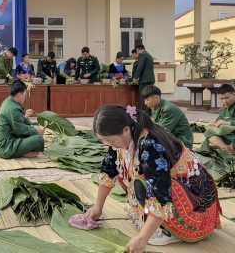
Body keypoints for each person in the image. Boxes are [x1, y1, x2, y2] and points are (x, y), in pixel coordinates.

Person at [85, 104, 221, 251]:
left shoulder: (152, 145)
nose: (107, 144)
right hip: (171, 185)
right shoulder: (128, 131)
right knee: (130, 176)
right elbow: (108, 171)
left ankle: (170, 230)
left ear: (125, 130)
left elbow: (159, 193)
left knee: (141, 184)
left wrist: (142, 239)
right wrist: (98, 207)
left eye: (110, 141)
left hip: (194, 194)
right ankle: (157, 222)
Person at [0, 80, 45, 159]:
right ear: (19, 95)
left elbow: (19, 122)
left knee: (35, 125)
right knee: (39, 140)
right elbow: (21, 130)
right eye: (25, 94)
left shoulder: (8, 101)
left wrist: (33, 126)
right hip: (5, 146)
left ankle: (23, 151)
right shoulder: (13, 108)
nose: (25, 97)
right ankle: (20, 153)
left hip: (9, 138)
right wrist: (35, 131)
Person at [133, 45, 155, 113]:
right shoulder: (149, 55)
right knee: (150, 96)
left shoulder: (142, 55)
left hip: (144, 80)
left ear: (137, 50)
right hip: (151, 79)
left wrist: (136, 77)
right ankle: (150, 112)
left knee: (144, 96)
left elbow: (140, 66)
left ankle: (145, 113)